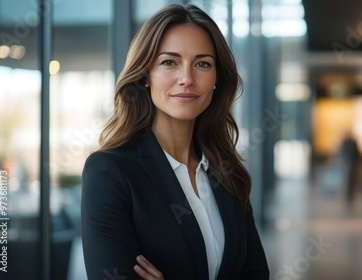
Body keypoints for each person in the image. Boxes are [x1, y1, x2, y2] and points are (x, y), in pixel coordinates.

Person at [81, 4, 269, 280]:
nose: (187, 79)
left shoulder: (228, 173)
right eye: (169, 62)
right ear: (146, 74)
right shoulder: (109, 172)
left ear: (216, 79)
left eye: (202, 64)